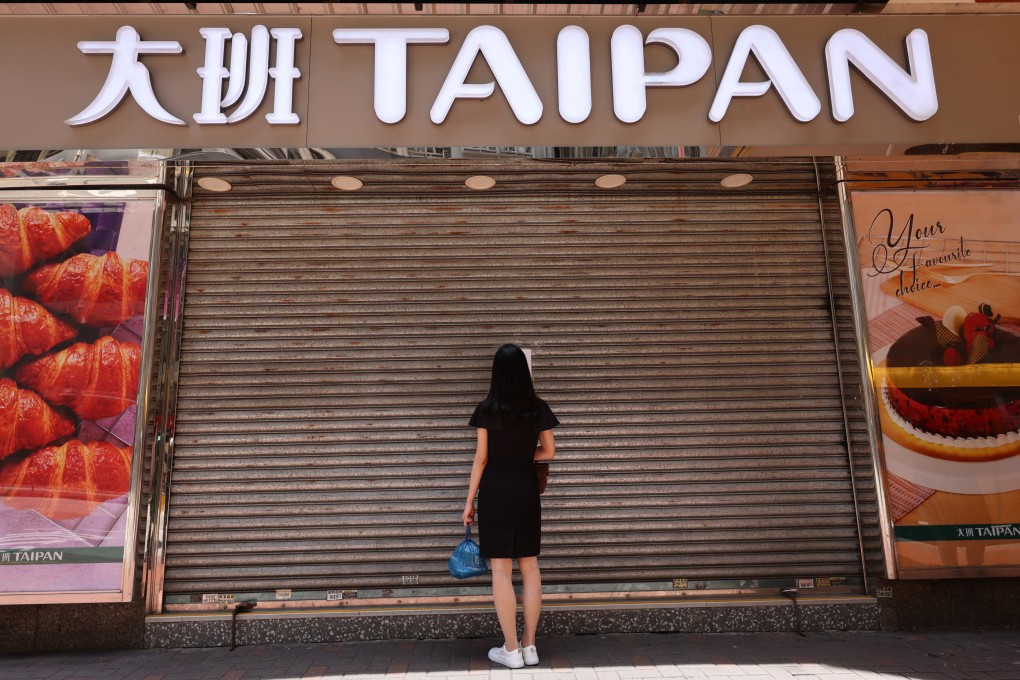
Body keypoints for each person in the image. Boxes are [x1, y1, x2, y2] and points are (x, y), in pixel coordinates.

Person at [462, 343, 559, 669]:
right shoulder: (538, 407)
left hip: (495, 491)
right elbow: (548, 453)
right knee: (530, 567)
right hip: (526, 491)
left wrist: (468, 502)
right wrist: (521, 455)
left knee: (501, 570)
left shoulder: (487, 409)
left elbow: (482, 458)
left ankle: (512, 650)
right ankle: (531, 647)